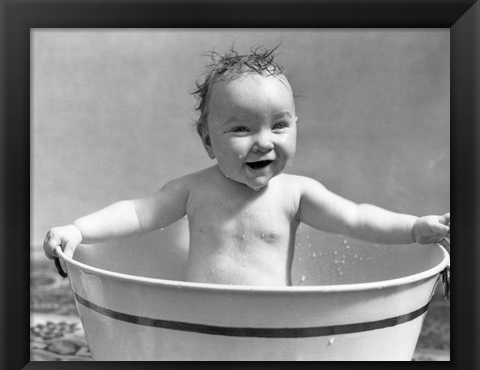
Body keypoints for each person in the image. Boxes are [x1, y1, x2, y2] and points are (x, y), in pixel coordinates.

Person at [43, 47, 450, 286]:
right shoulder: (192, 190)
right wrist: (77, 229)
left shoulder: (297, 194)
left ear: (294, 128)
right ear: (208, 142)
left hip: (272, 323)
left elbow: (357, 219)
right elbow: (135, 212)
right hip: (195, 319)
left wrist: (415, 228)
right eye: (241, 128)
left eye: (278, 125)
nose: (263, 141)